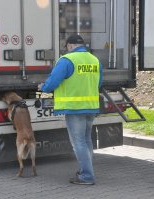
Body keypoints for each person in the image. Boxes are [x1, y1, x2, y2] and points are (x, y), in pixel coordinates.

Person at [38, 34, 102, 185]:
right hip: (91, 107)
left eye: (67, 47)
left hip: (75, 109)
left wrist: (43, 87)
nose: (67, 50)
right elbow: (98, 83)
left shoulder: (67, 60)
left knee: (78, 142)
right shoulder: (94, 60)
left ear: (71, 46)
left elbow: (53, 81)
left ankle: (87, 176)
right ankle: (86, 171)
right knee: (86, 140)